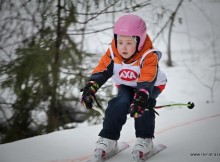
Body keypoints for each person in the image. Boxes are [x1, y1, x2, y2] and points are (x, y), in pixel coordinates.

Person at [81, 14, 167, 159]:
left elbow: (147, 77)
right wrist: (90, 88)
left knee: (143, 103)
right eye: (120, 42)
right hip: (126, 84)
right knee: (120, 102)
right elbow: (101, 71)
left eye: (129, 43)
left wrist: (141, 96)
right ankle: (109, 138)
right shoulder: (113, 54)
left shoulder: (148, 55)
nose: (123, 48)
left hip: (151, 85)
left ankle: (145, 139)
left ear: (139, 41)